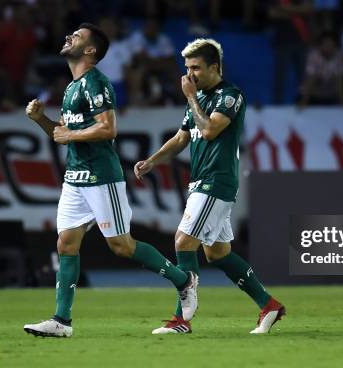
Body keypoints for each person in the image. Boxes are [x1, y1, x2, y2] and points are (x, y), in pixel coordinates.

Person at [22, 23, 198, 338]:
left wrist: (68, 132)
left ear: (90, 50)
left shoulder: (96, 82)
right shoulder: (71, 88)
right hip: (74, 178)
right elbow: (62, 135)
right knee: (66, 243)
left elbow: (108, 129)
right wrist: (41, 121)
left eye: (76, 36)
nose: (68, 37)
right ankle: (62, 321)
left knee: (121, 245)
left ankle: (183, 280)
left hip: (101, 177)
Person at [134, 38, 286, 335]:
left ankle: (182, 320)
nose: (189, 75)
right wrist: (152, 161)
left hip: (217, 181)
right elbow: (182, 138)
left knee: (183, 241)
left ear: (215, 67)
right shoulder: (199, 98)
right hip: (201, 181)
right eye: (187, 68)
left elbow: (210, 129)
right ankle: (269, 305)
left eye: (196, 68)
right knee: (217, 253)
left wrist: (190, 97)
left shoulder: (229, 96)